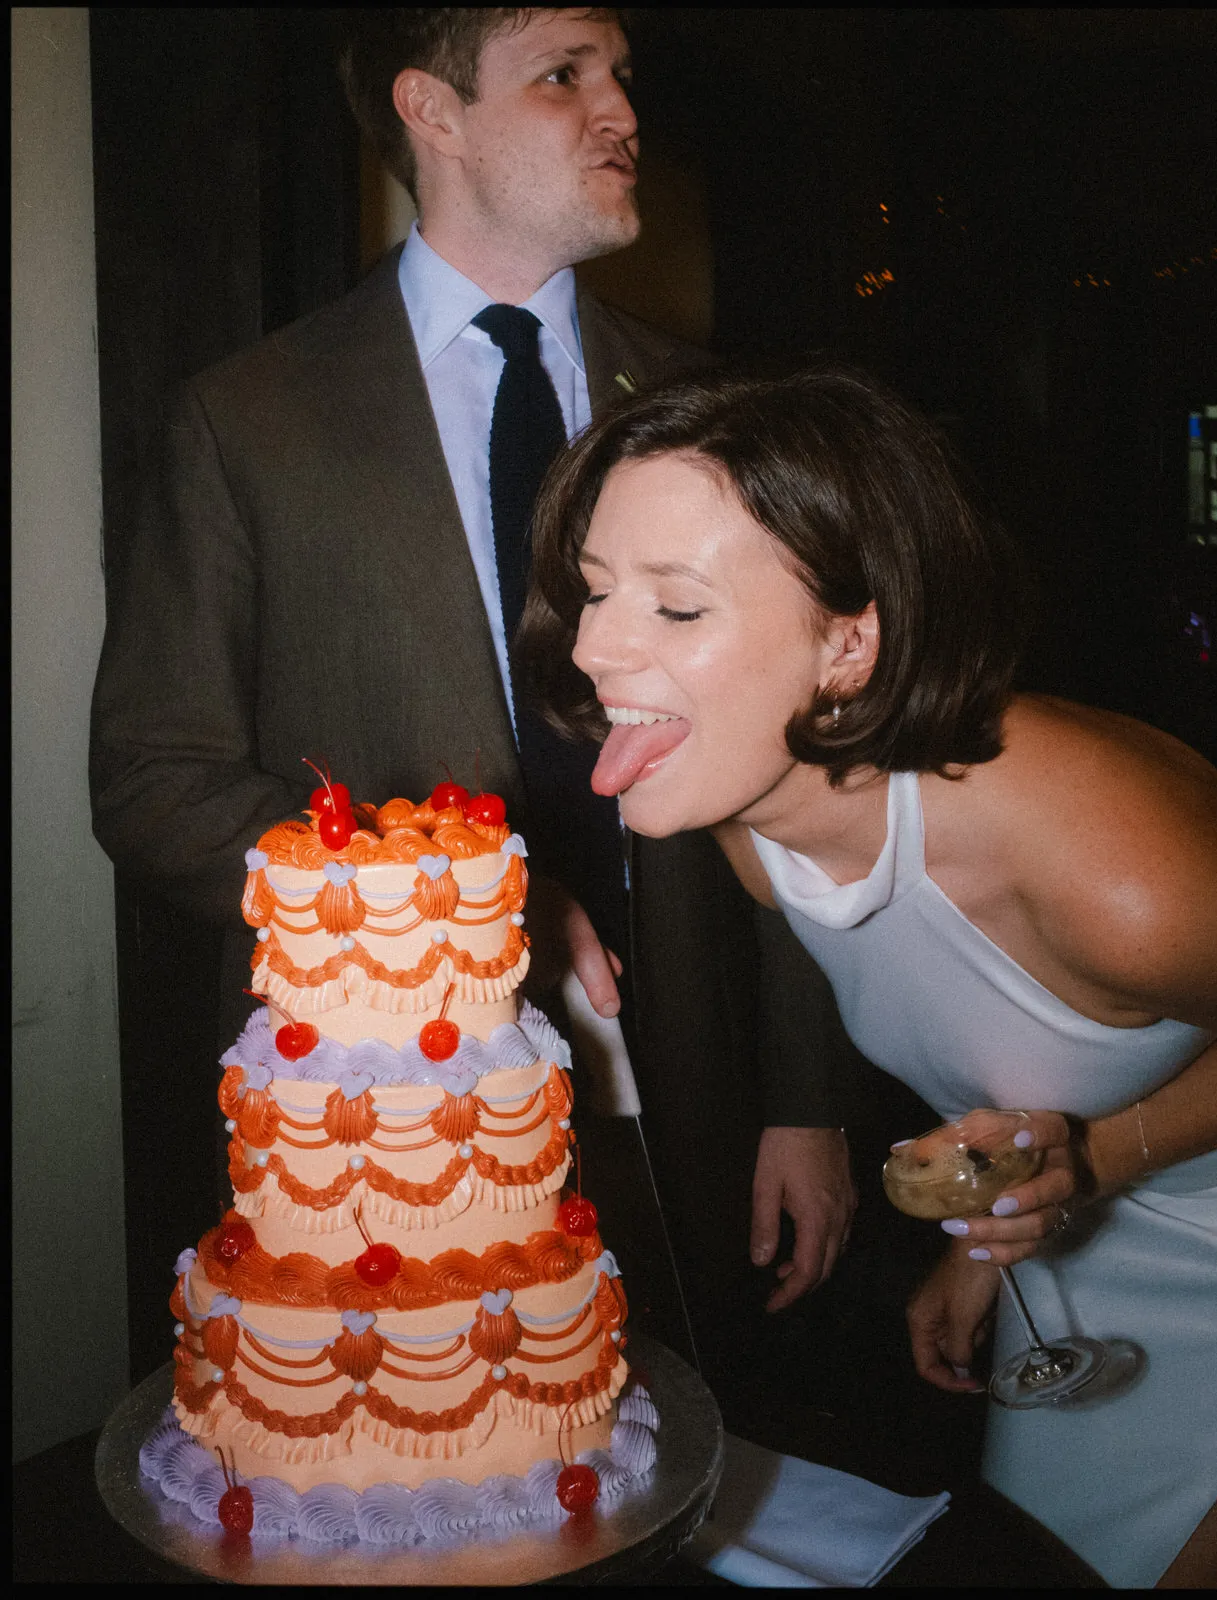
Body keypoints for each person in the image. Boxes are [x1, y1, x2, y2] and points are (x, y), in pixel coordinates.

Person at [89, 8, 856, 1393]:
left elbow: (791, 770)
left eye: (619, 73)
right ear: (431, 112)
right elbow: (154, 777)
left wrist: (807, 1100)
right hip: (397, 1114)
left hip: (695, 1083)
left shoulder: (709, 404)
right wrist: (450, 912)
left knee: (695, 1444)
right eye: (565, 73)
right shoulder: (248, 418)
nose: (621, 109)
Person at [518, 363, 1217, 1589]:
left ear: (847, 642)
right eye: (596, 591)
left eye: (676, 607)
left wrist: (1098, 1158)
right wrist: (989, 1241)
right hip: (1077, 1247)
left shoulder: (1113, 877)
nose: (592, 646)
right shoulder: (754, 824)